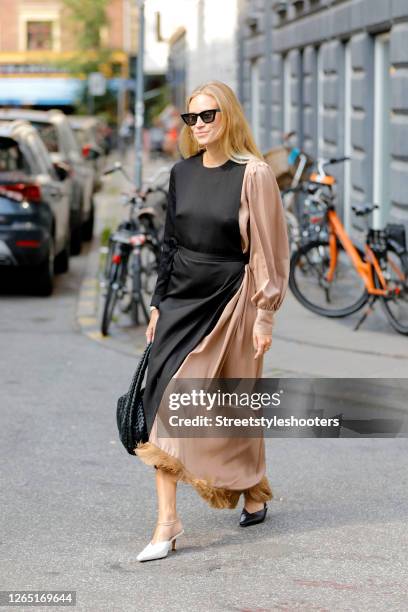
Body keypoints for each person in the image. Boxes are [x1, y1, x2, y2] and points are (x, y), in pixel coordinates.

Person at [134, 80, 290, 562]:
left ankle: (254, 489)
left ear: (229, 118)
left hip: (231, 299)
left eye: (208, 116)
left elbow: (269, 247)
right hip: (181, 300)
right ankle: (168, 521)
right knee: (164, 402)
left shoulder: (254, 174)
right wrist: (158, 302)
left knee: (230, 406)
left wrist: (265, 315)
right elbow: (170, 243)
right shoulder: (181, 172)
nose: (199, 125)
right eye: (191, 118)